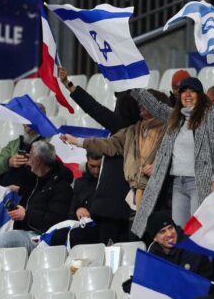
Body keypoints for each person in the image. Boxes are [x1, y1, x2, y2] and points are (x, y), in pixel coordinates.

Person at [129, 77, 214, 237]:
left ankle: (200, 263)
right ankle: (180, 262)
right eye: (184, 91)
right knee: (179, 233)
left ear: (200, 95)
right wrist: (132, 85)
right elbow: (153, 105)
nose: (187, 95)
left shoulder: (211, 119)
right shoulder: (173, 116)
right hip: (177, 184)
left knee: (198, 232)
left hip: (199, 183)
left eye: (192, 91)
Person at [60, 66, 141, 244]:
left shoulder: (121, 126)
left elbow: (94, 108)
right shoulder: (140, 131)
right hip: (125, 206)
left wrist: (69, 85)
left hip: (111, 207)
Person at [61, 89, 169, 209]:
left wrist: (159, 165)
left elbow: (177, 156)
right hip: (134, 195)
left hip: (159, 192)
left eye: (146, 101)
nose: (141, 104)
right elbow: (107, 144)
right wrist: (76, 141)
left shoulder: (170, 130)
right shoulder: (132, 131)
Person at [0, 141, 72, 253]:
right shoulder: (35, 179)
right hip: (25, 230)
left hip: (42, 236)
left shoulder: (61, 186)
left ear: (37, 161)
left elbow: (55, 220)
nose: (28, 161)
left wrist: (26, 215)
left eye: (30, 157)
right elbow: (23, 189)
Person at [0, 104, 48, 190]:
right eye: (24, 118)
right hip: (6, 189)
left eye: (31, 119)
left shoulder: (48, 142)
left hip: (31, 191)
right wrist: (9, 161)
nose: (27, 122)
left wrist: (36, 163)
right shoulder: (14, 144)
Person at [146, 211, 212, 278]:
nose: (169, 234)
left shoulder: (190, 246)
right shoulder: (154, 249)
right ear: (154, 238)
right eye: (162, 232)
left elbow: (184, 281)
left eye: (170, 228)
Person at [68, 154, 102, 220]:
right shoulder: (79, 182)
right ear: (87, 161)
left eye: (100, 167)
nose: (96, 171)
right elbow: (71, 212)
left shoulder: (112, 183)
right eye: (92, 166)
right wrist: (77, 209)